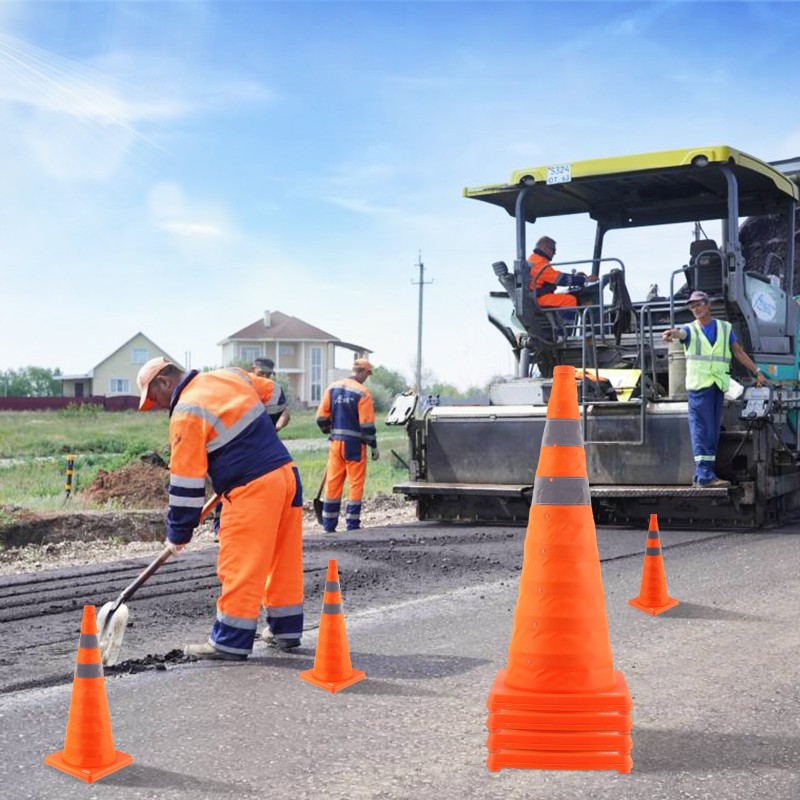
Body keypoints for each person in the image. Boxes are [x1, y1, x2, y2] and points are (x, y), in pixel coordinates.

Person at [136, 356, 304, 660]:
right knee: (283, 559)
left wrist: (178, 533)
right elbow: (276, 395)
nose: (158, 406)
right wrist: (256, 436)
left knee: (241, 563)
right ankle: (286, 629)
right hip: (286, 475)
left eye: (154, 398)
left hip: (253, 488)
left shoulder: (186, 412)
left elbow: (186, 484)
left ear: (164, 381)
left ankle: (230, 641)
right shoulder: (230, 376)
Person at [662, 290, 767, 487]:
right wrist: (671, 333)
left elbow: (738, 352)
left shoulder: (725, 328)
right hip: (699, 388)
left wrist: (757, 371)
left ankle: (702, 475)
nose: (695, 309)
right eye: (692, 306)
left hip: (718, 386)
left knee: (711, 432)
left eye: (698, 304)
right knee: (702, 431)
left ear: (708, 304)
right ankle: (705, 477)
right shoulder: (690, 329)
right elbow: (680, 333)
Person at [315, 358, 378, 533]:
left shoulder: (332, 388)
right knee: (355, 484)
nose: (367, 378)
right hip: (355, 446)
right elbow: (367, 426)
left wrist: (329, 431)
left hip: (336, 444)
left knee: (333, 483)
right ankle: (352, 524)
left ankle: (329, 525)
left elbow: (321, 418)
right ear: (363, 372)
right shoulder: (363, 393)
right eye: (367, 375)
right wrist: (373, 446)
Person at [528, 236, 598, 309]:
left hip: (538, 296)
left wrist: (577, 278)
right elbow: (561, 279)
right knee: (570, 301)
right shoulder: (539, 262)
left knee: (568, 295)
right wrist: (585, 279)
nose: (554, 253)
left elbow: (556, 276)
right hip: (539, 298)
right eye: (553, 250)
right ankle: (566, 318)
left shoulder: (536, 259)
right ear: (545, 248)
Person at [251, 357, 291, 432]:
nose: (265, 376)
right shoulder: (242, 384)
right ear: (253, 369)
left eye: (268, 374)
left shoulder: (273, 390)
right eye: (262, 373)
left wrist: (277, 428)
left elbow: (285, 414)